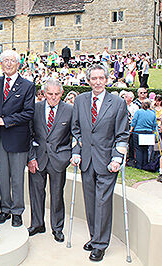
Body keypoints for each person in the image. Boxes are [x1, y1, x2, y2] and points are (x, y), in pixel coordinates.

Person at [71, 64, 129, 262]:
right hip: (86, 161)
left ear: (106, 79)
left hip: (107, 162)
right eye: (93, 79)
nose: (97, 82)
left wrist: (117, 157)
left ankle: (100, 244)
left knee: (103, 203)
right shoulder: (80, 101)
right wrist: (76, 151)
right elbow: (76, 129)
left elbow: (122, 134)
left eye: (101, 78)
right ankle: (94, 236)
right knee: (90, 202)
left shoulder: (118, 103)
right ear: (88, 81)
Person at [0, 50, 35, 227]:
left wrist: (5, 121)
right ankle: (5, 209)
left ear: (18, 64)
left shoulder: (28, 86)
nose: (8, 64)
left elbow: (28, 113)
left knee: (17, 178)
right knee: (2, 176)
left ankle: (17, 212)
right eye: (5, 60)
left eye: (12, 61)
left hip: (17, 138)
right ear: (0, 63)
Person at [27, 79, 72, 242]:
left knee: (57, 195)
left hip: (59, 160)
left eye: (57, 94)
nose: (53, 97)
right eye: (50, 94)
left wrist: (67, 156)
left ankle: (57, 228)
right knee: (36, 193)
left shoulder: (70, 110)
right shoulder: (35, 108)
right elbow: (29, 135)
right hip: (38, 159)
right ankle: (37, 224)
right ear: (44, 93)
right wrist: (30, 157)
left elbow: (75, 134)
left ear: (62, 93)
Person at [131, 99, 157, 170]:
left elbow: (134, 122)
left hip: (138, 132)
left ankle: (139, 165)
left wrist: (131, 130)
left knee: (138, 149)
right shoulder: (152, 113)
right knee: (145, 149)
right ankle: (145, 165)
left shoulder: (138, 112)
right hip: (148, 132)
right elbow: (154, 125)